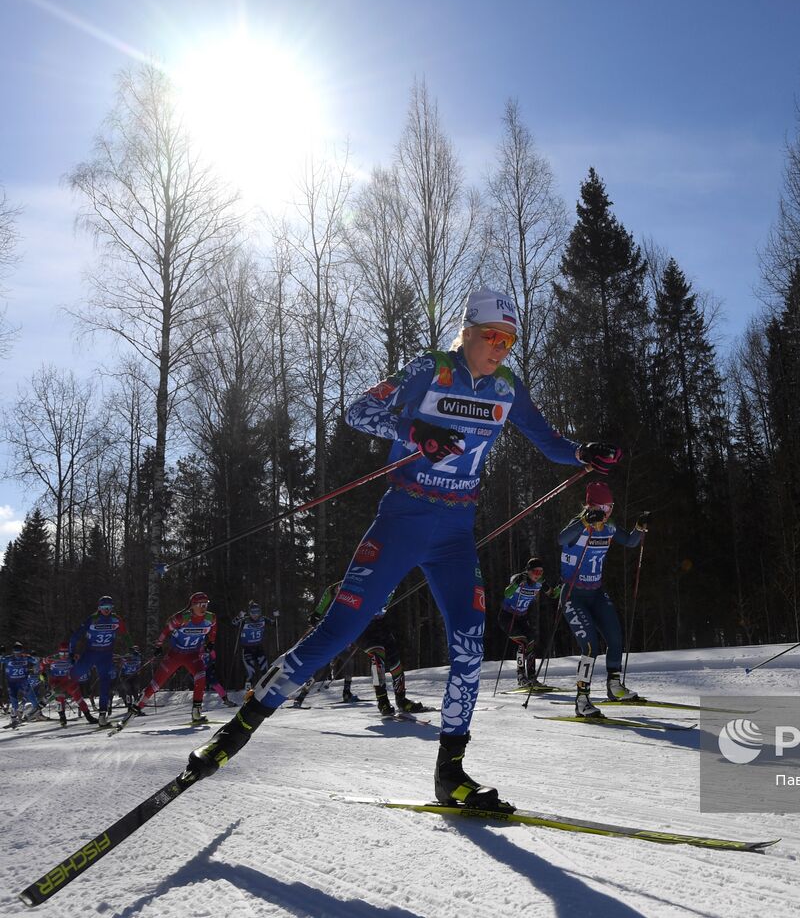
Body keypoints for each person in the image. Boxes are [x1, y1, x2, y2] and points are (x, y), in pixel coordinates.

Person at [189, 288, 620, 812]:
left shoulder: (508, 387)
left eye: (509, 340)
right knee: (339, 631)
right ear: (467, 332)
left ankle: (450, 773)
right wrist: (415, 429)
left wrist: (582, 452)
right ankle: (235, 733)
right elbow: (359, 412)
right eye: (492, 336)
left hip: (455, 532)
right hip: (403, 517)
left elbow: (545, 438)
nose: (500, 348)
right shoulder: (431, 369)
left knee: (468, 644)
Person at [557, 482, 649, 718]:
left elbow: (628, 541)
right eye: (602, 506)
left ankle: (614, 687)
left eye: (610, 506)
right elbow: (561, 539)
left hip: (596, 592)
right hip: (573, 594)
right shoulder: (578, 526)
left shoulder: (608, 528)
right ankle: (582, 699)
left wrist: (639, 528)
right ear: (590, 505)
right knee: (590, 646)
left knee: (616, 638)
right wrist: (585, 521)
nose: (607, 511)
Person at [130, 592, 219, 725]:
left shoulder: (210, 618)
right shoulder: (182, 618)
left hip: (193, 655)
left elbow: (214, 630)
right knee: (157, 684)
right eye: (200, 604)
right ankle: (137, 707)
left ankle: (196, 711)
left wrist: (211, 642)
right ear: (193, 605)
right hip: (175, 655)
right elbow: (166, 631)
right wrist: (159, 645)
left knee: (201, 676)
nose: (203, 607)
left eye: (206, 604)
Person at [68, 595, 131, 724]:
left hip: (106, 655)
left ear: (112, 608)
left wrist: (131, 648)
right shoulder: (92, 619)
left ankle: (102, 714)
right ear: (99, 608)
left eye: (109, 607)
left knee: (105, 683)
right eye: (104, 607)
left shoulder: (116, 619)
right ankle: (53, 695)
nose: (106, 610)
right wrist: (71, 652)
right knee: (74, 675)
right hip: (91, 653)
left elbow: (125, 634)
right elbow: (75, 636)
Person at [498, 556, 558, 689]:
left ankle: (531, 678)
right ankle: (521, 677)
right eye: (535, 572)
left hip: (521, 618)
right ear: (528, 571)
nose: (538, 575)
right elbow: (507, 594)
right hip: (508, 617)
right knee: (523, 641)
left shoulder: (540, 582)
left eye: (541, 572)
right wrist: (515, 584)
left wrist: (561, 588)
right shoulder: (520, 578)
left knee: (531, 642)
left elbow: (552, 594)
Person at [360, 605, 427, 716]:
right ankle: (382, 702)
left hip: (381, 627)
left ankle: (401, 699)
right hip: (363, 631)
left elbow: (387, 599)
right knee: (377, 659)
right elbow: (330, 594)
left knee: (395, 662)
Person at [41, 642, 97, 726]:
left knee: (78, 698)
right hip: (56, 681)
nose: (64, 655)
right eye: (62, 653)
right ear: (58, 652)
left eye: (66, 653)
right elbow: (42, 664)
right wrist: (42, 673)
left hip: (68, 681)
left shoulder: (72, 657)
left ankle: (88, 716)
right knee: (60, 699)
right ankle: (62, 717)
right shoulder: (52, 658)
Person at [234, 603, 275, 701]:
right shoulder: (245, 620)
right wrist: (239, 616)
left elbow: (274, 623)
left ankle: (266, 693)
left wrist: (276, 616)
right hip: (247, 649)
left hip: (259, 649)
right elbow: (233, 623)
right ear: (249, 612)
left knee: (265, 671)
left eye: (258, 612)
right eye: (253, 612)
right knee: (250, 673)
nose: (255, 615)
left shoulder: (263, 619)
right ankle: (248, 696)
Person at [5, 643, 42, 727]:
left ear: (22, 652)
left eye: (19, 652)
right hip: (12, 683)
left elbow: (36, 660)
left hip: (23, 682)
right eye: (16, 652)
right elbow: (2, 659)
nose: (17, 654)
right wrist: (2, 654)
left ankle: (33, 712)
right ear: (13, 652)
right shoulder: (9, 658)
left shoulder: (25, 657)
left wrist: (33, 658)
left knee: (32, 698)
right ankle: (13, 718)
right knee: (14, 702)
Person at [115, 647, 144, 713]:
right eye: (135, 651)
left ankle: (137, 707)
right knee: (128, 692)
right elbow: (121, 662)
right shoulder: (126, 657)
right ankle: (129, 707)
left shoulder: (137, 657)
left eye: (137, 651)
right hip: (125, 677)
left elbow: (138, 663)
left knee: (136, 692)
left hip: (134, 676)